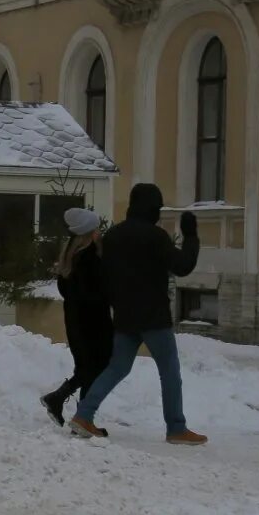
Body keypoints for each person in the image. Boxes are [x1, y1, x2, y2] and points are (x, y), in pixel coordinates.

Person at [69, 182, 206, 444]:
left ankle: (83, 415)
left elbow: (104, 278)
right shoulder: (155, 237)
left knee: (117, 368)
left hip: (124, 316)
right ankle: (176, 427)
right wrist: (190, 236)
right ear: (153, 207)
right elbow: (182, 266)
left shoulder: (112, 237)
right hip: (154, 317)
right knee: (169, 372)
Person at [40, 207, 113, 430]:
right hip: (94, 323)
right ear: (89, 234)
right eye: (96, 230)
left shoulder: (70, 258)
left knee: (87, 369)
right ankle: (81, 416)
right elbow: (97, 292)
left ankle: (68, 406)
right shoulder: (90, 259)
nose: (99, 233)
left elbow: (69, 292)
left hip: (76, 323)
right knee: (96, 367)